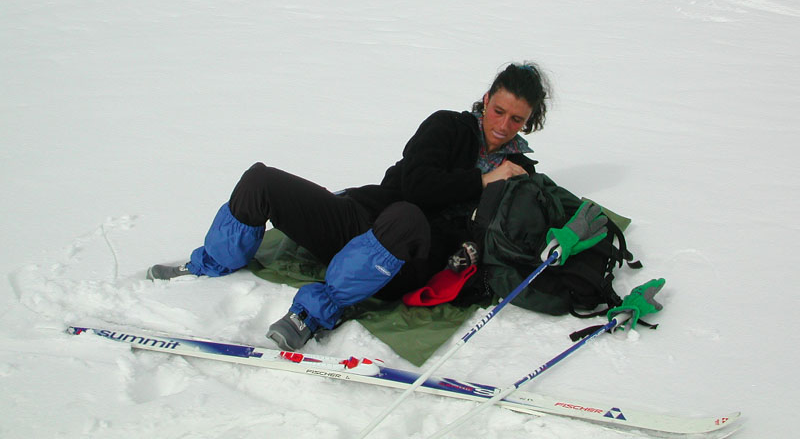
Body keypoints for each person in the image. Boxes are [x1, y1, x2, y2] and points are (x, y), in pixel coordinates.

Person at [148, 62, 566, 350]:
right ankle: (212, 262)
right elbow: (416, 183)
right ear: (486, 99)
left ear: (528, 122)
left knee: (406, 218)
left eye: (516, 120)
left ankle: (312, 314)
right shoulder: (447, 126)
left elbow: (496, 229)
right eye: (499, 111)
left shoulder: (519, 171)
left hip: (408, 257)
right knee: (261, 180)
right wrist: (481, 180)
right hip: (361, 220)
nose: (503, 125)